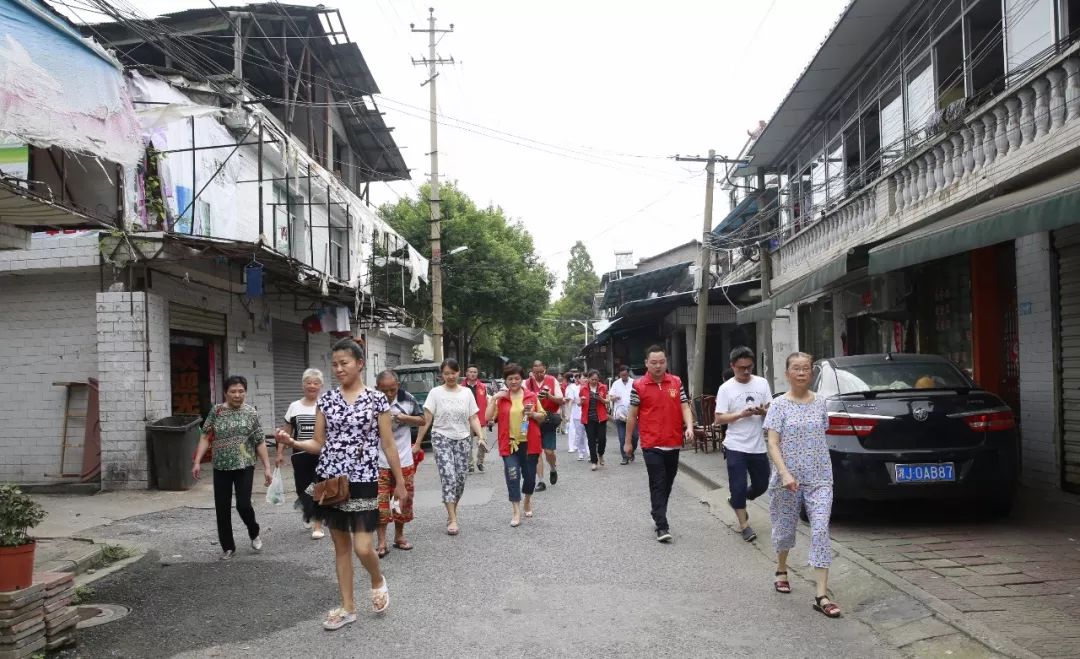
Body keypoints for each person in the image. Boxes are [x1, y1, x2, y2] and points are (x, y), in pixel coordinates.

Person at [275, 338, 408, 630]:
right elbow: (318, 442)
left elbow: (387, 443)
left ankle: (377, 579)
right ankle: (348, 608)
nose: (338, 369)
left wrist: (400, 481)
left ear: (360, 364)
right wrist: (293, 441)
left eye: (344, 363)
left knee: (363, 546)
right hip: (331, 480)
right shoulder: (326, 400)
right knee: (341, 547)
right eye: (334, 364)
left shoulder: (377, 400)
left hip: (363, 480)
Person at [764, 352, 841, 619]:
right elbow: (772, 442)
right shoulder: (778, 405)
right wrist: (784, 473)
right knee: (785, 530)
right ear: (787, 373)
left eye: (806, 368)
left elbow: (822, 433)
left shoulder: (821, 403)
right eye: (796, 369)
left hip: (820, 479)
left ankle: (821, 594)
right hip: (788, 481)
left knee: (820, 530)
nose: (801, 373)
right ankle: (781, 569)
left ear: (811, 373)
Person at [192, 375, 272, 560]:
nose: (237, 395)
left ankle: (254, 531)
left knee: (243, 504)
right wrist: (197, 461)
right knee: (222, 507)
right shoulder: (217, 411)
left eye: (241, 391)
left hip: (245, 465)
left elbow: (259, 441)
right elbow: (205, 436)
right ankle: (228, 547)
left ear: (245, 392)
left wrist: (267, 467)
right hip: (221, 466)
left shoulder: (251, 412)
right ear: (226, 393)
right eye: (233, 391)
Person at [624, 345, 694, 543]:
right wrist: (628, 442)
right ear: (646, 363)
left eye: (662, 362)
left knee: (668, 482)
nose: (658, 366)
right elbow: (632, 415)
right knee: (658, 481)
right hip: (651, 443)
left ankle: (657, 511)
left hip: (673, 441)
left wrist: (688, 427)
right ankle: (662, 526)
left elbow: (684, 406)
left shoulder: (676, 382)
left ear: (666, 362)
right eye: (653, 362)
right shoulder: (639, 386)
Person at [417, 358, 485, 535]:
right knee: (449, 477)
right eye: (446, 373)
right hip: (441, 437)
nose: (450, 376)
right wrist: (417, 443)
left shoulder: (466, 393)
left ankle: (452, 509)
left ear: (458, 372)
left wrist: (481, 437)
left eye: (453, 373)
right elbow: (427, 420)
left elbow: (474, 418)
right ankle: (453, 519)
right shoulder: (435, 393)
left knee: (460, 480)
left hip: (463, 438)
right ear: (442, 375)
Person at [714, 347, 772, 543]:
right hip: (735, 445)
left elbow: (771, 409)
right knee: (737, 486)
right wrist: (741, 414)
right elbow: (719, 419)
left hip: (758, 446)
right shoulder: (726, 388)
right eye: (741, 368)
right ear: (732, 366)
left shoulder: (762, 383)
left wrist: (761, 411)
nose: (746, 371)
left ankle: (737, 500)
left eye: (749, 367)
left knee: (762, 484)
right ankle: (744, 525)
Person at [485, 363, 546, 527]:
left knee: (529, 479)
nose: (513, 381)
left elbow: (542, 416)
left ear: (522, 379)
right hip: (510, 445)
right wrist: (495, 398)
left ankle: (527, 500)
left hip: (530, 443)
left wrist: (532, 413)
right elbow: (488, 417)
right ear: (505, 380)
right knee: (512, 476)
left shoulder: (532, 396)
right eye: (510, 378)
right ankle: (516, 512)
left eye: (517, 378)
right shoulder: (502, 399)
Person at [374, 370, 424, 557]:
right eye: (384, 390)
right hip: (378, 460)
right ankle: (381, 541)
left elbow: (422, 419)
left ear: (398, 386)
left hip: (404, 459)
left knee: (402, 500)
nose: (388, 395)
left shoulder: (407, 398)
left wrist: (406, 418)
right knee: (380, 502)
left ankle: (399, 537)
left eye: (392, 390)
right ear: (377, 387)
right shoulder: (371, 400)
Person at [275, 368, 326, 540]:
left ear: (321, 385)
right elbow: (287, 431)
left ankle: (317, 524)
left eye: (316, 383)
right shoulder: (294, 406)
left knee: (318, 487)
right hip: (300, 454)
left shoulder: (325, 404)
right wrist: (280, 453)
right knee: (301, 488)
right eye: (308, 382)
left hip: (321, 454)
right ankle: (308, 511)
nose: (312, 386)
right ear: (303, 385)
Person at [525, 360, 564, 491]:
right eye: (536, 372)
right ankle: (540, 481)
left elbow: (561, 400)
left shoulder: (552, 380)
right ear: (532, 371)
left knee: (549, 451)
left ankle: (553, 468)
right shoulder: (526, 383)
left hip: (548, 419)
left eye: (541, 372)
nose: (539, 375)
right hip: (533, 420)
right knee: (536, 452)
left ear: (545, 370)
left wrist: (549, 396)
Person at [580, 369, 610, 471]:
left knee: (602, 439)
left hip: (601, 418)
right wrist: (581, 401)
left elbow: (607, 401)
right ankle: (594, 461)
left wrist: (600, 399)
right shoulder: (583, 389)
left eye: (596, 379)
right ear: (588, 379)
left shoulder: (603, 387)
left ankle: (600, 454)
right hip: (588, 418)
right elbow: (579, 403)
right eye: (592, 379)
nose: (594, 381)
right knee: (591, 440)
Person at [609, 365, 638, 465]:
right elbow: (610, 396)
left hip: (632, 415)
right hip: (620, 415)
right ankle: (625, 457)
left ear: (628, 373)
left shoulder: (634, 382)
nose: (624, 377)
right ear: (619, 375)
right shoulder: (616, 384)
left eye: (625, 375)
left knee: (634, 437)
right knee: (622, 438)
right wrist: (614, 397)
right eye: (622, 375)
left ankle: (631, 451)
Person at [463, 365, 489, 473]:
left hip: (481, 419)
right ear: (466, 374)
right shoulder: (461, 388)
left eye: (475, 372)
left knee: (483, 441)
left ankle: (480, 462)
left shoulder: (483, 387)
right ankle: (470, 464)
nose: (473, 374)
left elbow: (487, 403)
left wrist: (490, 418)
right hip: (466, 420)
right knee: (468, 443)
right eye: (471, 372)